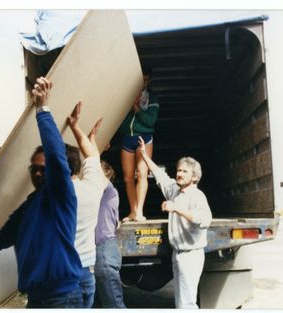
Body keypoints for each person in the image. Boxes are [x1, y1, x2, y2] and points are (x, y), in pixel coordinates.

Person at [0, 77, 84, 308]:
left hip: (61, 298)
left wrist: (42, 110)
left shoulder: (60, 197)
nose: (37, 173)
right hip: (37, 297)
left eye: (43, 169)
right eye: (34, 169)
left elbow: (56, 157)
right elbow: (5, 236)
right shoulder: (30, 206)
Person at [138, 136, 212, 309]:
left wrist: (176, 208)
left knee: (187, 303)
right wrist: (143, 155)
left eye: (184, 172)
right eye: (179, 170)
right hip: (177, 254)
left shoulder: (197, 196)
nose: (179, 174)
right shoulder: (175, 191)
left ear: (194, 178)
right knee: (180, 303)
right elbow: (160, 176)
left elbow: (204, 220)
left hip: (191, 255)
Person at [66, 101, 107, 308]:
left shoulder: (58, 194)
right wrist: (75, 127)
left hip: (66, 272)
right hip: (87, 272)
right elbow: (92, 156)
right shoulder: (94, 186)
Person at [117, 65, 159, 222]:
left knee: (142, 174)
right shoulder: (124, 97)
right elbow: (117, 120)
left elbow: (151, 121)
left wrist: (137, 108)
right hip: (127, 138)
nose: (144, 83)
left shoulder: (152, 98)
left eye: (147, 80)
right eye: (142, 79)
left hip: (144, 138)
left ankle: (140, 211)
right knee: (128, 177)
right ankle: (132, 211)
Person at [94, 160, 126, 308]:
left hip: (104, 251)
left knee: (114, 306)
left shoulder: (108, 190)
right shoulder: (100, 197)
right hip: (104, 250)